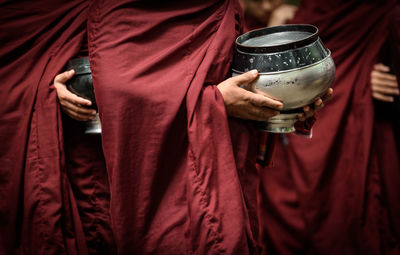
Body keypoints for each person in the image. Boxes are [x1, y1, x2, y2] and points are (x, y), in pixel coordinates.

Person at [258, 0, 400, 254]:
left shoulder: (385, 14)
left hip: (360, 141)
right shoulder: (299, 16)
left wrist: (360, 78)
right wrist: (275, 29)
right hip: (290, 151)